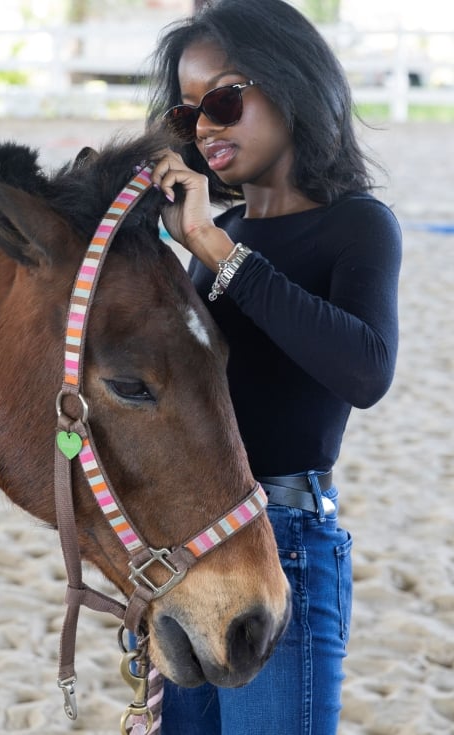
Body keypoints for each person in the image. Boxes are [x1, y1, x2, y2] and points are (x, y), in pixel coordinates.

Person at [145, 0, 402, 733]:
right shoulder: (214, 233)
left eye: (225, 98)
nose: (208, 127)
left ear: (293, 85)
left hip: (282, 542)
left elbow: (367, 370)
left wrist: (217, 252)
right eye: (188, 113)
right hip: (189, 547)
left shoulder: (356, 224)